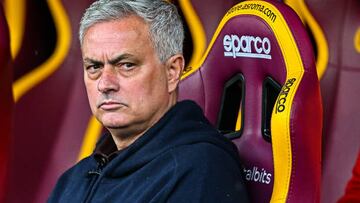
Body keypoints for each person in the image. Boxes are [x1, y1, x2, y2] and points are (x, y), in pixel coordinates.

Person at [48, 0, 249, 202]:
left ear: (172, 72)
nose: (105, 84)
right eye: (94, 67)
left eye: (126, 65)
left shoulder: (200, 170)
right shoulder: (75, 178)